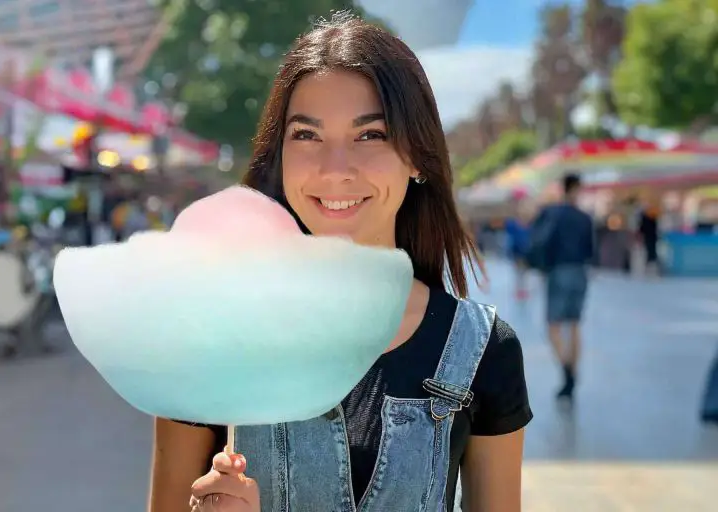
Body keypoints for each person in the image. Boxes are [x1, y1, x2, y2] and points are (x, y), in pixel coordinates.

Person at [149, 13, 532, 512]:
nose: (335, 170)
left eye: (369, 135)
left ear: (417, 157)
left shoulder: (483, 351)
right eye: (307, 136)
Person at [532, 173, 594, 402]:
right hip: (580, 271)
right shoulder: (585, 218)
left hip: (557, 271)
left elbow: (538, 241)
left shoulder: (552, 214)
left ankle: (566, 371)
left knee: (554, 326)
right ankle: (573, 372)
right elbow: (590, 250)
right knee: (574, 325)